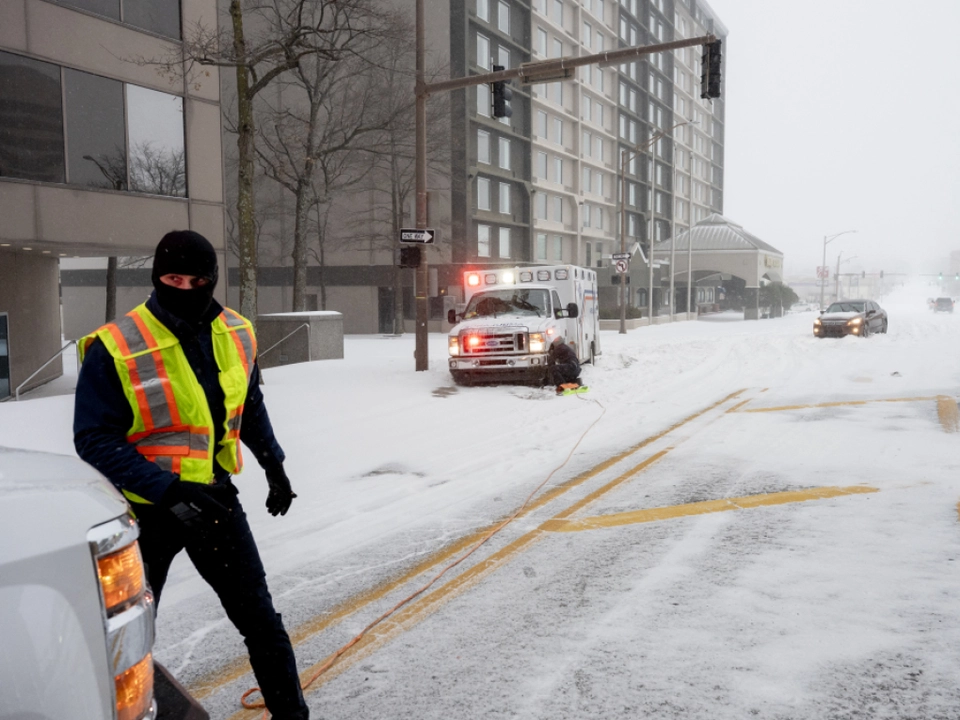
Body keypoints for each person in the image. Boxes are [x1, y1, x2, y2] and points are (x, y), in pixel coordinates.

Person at [74, 231, 309, 720]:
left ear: (212, 279)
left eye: (197, 279)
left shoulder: (236, 331)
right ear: (156, 277)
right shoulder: (115, 346)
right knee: (126, 642)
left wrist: (274, 465)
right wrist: (165, 489)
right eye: (172, 278)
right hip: (146, 515)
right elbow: (94, 438)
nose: (185, 288)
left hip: (215, 505)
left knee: (261, 622)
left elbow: (249, 405)